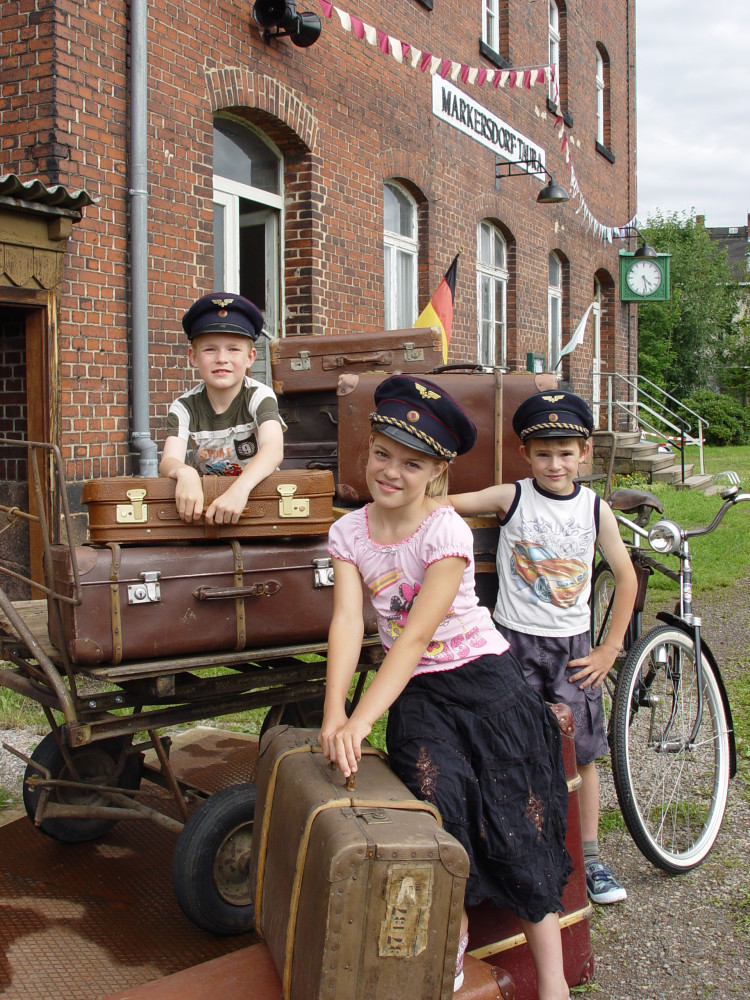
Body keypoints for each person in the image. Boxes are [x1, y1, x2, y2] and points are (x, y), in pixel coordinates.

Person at [319, 375, 573, 1000]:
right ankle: (448, 946)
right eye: (382, 453)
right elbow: (350, 623)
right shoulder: (350, 533)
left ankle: (555, 981)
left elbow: (411, 639)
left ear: (438, 471)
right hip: (422, 697)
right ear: (367, 450)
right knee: (441, 804)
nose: (392, 472)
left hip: (486, 687)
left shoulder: (445, 533)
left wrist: (362, 720)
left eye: (413, 463)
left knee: (519, 825)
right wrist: (336, 712)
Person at [450, 390, 637, 906]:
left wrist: (609, 648)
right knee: (510, 747)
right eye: (543, 453)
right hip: (513, 646)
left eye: (566, 452)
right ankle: (516, 844)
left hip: (574, 653)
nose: (555, 464)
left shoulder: (596, 509)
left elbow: (625, 577)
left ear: (585, 453)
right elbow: (446, 504)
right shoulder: (511, 498)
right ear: (526, 455)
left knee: (584, 755)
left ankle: (592, 857)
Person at [159, 292, 285, 525]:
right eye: (209, 350)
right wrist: (184, 472)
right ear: (193, 357)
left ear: (250, 357)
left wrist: (240, 490)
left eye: (233, 349)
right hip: (208, 503)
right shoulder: (184, 407)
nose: (221, 358)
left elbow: (274, 449)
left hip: (259, 498)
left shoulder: (259, 396)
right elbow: (168, 461)